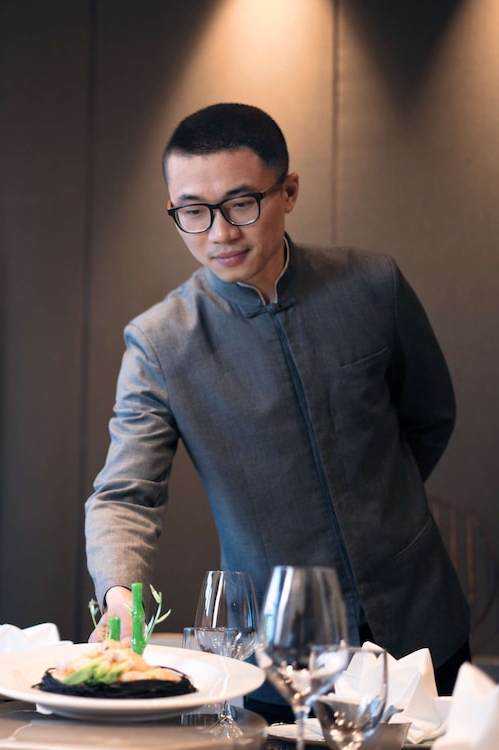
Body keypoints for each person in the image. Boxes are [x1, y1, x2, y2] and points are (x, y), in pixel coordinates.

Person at [84, 102, 470, 721]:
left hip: (421, 621)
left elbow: (429, 416)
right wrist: (119, 593)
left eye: (241, 204)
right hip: (278, 654)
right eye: (192, 211)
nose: (219, 233)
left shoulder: (373, 284)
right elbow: (125, 494)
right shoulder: (160, 342)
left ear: (287, 191)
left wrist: (380, 505)